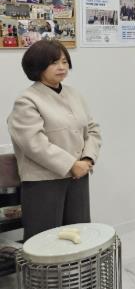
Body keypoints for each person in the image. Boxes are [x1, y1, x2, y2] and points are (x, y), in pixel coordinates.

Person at [7, 40, 101, 241]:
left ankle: (79, 267)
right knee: (44, 240)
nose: (62, 67)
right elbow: (34, 143)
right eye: (54, 62)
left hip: (78, 177)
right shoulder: (27, 100)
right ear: (37, 66)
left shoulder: (74, 94)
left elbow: (92, 129)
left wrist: (87, 159)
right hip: (44, 182)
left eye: (65, 62)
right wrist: (71, 164)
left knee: (80, 234)